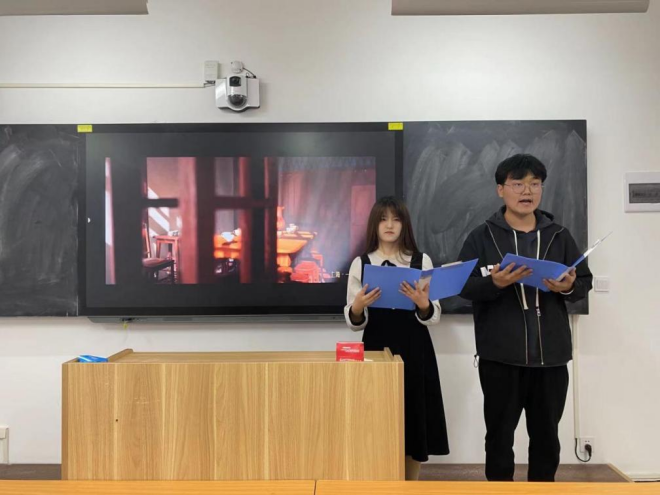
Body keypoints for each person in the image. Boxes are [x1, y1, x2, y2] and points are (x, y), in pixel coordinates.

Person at [458, 154, 593, 482]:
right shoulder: (482, 236)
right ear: (500, 189)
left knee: (547, 438)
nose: (527, 191)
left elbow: (583, 282)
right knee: (499, 438)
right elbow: (462, 285)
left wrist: (567, 286)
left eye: (535, 184)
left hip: (551, 358)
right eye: (518, 184)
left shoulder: (559, 235)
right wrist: (494, 283)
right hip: (500, 358)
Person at [344, 196, 449, 480]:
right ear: (374, 224)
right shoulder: (361, 263)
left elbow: (434, 314)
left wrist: (423, 304)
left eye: (396, 219)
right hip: (376, 346)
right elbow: (354, 322)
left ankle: (410, 484)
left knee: (414, 415)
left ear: (405, 224)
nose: (389, 225)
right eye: (383, 219)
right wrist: (358, 306)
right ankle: (379, 481)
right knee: (376, 415)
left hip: (415, 346)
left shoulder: (420, 260)